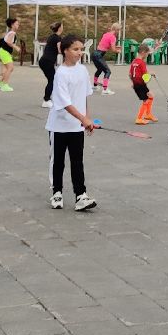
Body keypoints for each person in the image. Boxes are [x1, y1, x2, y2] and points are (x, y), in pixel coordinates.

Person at [48, 34, 97, 212]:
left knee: (77, 161)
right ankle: (57, 192)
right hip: (59, 126)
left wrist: (87, 119)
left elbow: (84, 97)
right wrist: (82, 118)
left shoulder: (83, 70)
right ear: (66, 51)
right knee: (58, 161)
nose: (80, 52)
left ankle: (80, 195)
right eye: (76, 49)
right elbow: (65, 103)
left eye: (81, 49)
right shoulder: (60, 73)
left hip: (77, 126)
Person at [131, 39, 157, 125]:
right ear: (142, 52)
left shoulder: (134, 62)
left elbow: (130, 74)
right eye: (147, 53)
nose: (147, 55)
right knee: (146, 100)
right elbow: (145, 76)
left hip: (137, 84)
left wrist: (133, 83)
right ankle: (139, 118)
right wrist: (150, 76)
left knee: (151, 95)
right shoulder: (142, 63)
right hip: (140, 84)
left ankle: (148, 114)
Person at [39, 22, 63, 108]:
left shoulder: (52, 37)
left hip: (44, 61)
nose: (63, 27)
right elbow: (60, 50)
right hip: (47, 61)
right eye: (62, 26)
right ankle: (46, 100)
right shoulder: (57, 38)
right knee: (52, 80)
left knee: (52, 80)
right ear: (59, 28)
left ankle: (49, 98)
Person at [93, 22, 119, 94]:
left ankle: (95, 86)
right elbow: (113, 50)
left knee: (100, 69)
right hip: (99, 55)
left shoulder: (106, 34)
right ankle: (105, 90)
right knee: (108, 71)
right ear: (116, 30)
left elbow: (106, 46)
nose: (118, 32)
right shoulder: (113, 37)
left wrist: (116, 47)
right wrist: (118, 51)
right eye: (118, 30)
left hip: (95, 54)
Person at [0, 18, 20, 92]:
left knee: (8, 68)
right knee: (10, 68)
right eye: (17, 24)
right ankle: (5, 85)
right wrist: (16, 47)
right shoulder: (12, 33)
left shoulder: (10, 32)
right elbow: (9, 42)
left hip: (3, 51)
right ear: (12, 25)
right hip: (4, 51)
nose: (18, 25)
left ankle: (1, 83)